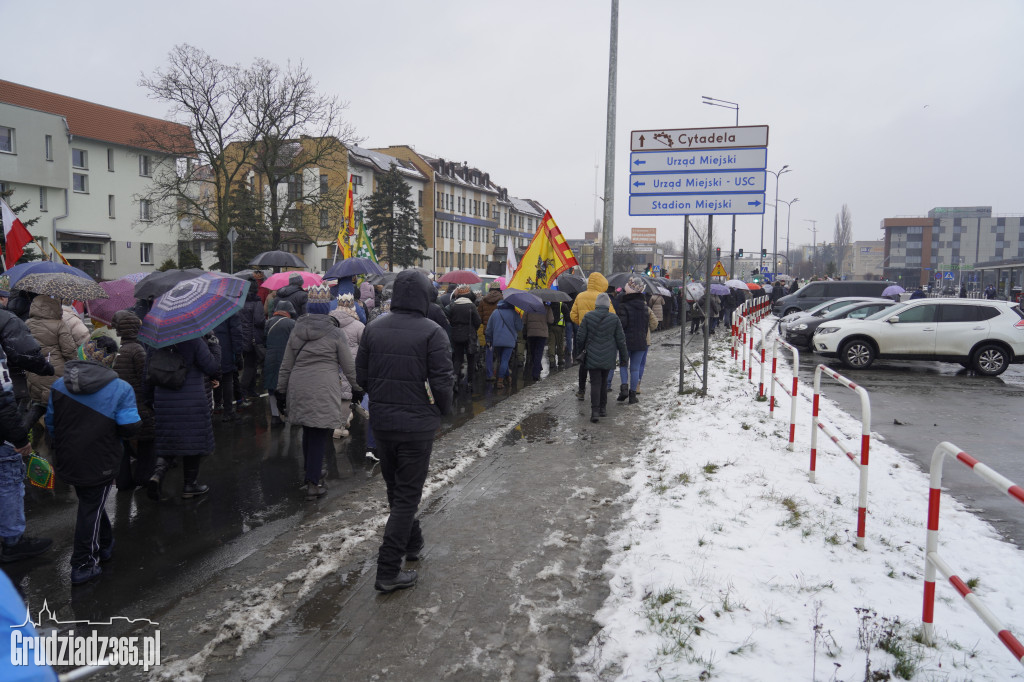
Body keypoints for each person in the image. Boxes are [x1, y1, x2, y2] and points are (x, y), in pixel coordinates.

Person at [355, 269, 453, 593]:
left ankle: (413, 543)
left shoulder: (373, 328)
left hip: (382, 424)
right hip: (416, 427)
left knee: (397, 491)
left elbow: (363, 377)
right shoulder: (433, 332)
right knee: (406, 496)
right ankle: (387, 569)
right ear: (425, 297)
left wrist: (383, 399)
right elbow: (442, 382)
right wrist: (442, 410)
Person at [46, 338, 140, 584]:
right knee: (90, 507)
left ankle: (106, 544)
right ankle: (83, 563)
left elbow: (51, 425)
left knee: (91, 502)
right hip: (102, 458)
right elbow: (129, 428)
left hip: (69, 457)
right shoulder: (121, 388)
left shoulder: (58, 385)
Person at [277, 285, 361, 500]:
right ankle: (313, 484)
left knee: (308, 430)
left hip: (299, 384)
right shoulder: (335, 332)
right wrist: (357, 387)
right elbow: (348, 365)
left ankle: (311, 472)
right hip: (324, 386)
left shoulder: (297, 329)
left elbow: (286, 364)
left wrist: (280, 392)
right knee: (319, 434)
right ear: (326, 308)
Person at [0, 313, 53, 563]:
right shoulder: (7, 322)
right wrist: (21, 440)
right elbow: (2, 401)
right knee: (9, 481)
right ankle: (13, 542)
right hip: (2, 438)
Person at [146, 334, 221, 500]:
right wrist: (214, 345)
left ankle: (157, 475)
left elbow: (148, 373)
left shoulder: (156, 342)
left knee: (169, 439)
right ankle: (190, 485)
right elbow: (211, 366)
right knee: (192, 441)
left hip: (164, 399)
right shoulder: (194, 340)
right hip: (191, 400)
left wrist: (149, 400)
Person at [111, 312, 156, 490]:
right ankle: (144, 478)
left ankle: (123, 482)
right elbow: (146, 379)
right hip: (139, 405)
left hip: (121, 405)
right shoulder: (138, 350)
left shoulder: (118, 350)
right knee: (147, 443)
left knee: (124, 446)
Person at [24, 296, 78, 434]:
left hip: (33, 373)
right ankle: (52, 443)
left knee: (38, 405)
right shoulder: (60, 324)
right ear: (54, 308)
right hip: (55, 374)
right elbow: (69, 352)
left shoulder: (27, 323)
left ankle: (24, 436)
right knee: (57, 410)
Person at [576, 293, 627, 423]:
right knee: (604, 382)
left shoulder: (588, 317)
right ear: (608, 305)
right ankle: (603, 409)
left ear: (596, 304)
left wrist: (579, 351)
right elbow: (621, 340)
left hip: (592, 355)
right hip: (609, 355)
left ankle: (595, 412)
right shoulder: (614, 319)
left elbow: (580, 337)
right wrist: (624, 357)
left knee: (595, 382)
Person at [569, 272, 614, 400]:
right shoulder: (604, 297)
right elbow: (612, 315)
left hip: (584, 335)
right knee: (598, 362)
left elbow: (573, 315)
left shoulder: (580, 296)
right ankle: (598, 390)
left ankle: (581, 390)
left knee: (583, 362)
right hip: (600, 335)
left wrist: (582, 324)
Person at [329, 294, 365, 439]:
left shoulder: (329, 322)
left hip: (332, 363)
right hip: (351, 364)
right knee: (346, 396)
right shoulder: (359, 325)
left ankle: (333, 423)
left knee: (333, 395)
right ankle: (340, 427)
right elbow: (364, 347)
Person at [615, 277, 651, 405]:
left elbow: (621, 324)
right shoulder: (644, 307)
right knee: (635, 369)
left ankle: (624, 388)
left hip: (626, 341)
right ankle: (632, 395)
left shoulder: (623, 306)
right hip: (641, 341)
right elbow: (647, 325)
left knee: (624, 365)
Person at [263, 301, 297, 427]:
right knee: (288, 387)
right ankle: (290, 416)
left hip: (270, 358)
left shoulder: (268, 322)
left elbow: (264, 340)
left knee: (272, 388)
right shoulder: (292, 323)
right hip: (287, 359)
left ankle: (275, 416)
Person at [446, 285, 481, 388]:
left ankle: (455, 380)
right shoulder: (471, 306)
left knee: (457, 359)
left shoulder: (453, 305)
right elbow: (478, 321)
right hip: (469, 335)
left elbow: (449, 320)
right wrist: (473, 329)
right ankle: (469, 382)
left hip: (456, 334)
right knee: (471, 359)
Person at [238, 279, 266, 403]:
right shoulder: (256, 302)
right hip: (253, 338)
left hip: (242, 337)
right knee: (250, 365)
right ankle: (243, 390)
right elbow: (260, 320)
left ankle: (250, 389)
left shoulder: (240, 302)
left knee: (250, 364)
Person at [213, 312, 243, 422]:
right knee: (227, 380)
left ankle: (217, 405)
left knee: (215, 378)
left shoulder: (206, 308)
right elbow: (236, 333)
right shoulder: (229, 309)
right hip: (226, 349)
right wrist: (238, 353)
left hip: (211, 348)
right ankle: (228, 411)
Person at [484, 299, 522, 388]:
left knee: (502, 360)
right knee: (505, 361)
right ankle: (500, 381)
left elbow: (489, 328)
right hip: (509, 341)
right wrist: (519, 317)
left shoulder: (495, 312)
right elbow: (519, 327)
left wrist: (489, 339)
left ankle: (508, 377)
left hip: (497, 341)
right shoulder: (514, 313)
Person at [477, 281, 503, 381]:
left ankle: (489, 374)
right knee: (500, 352)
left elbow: (479, 316)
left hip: (488, 330)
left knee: (489, 352)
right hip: (499, 330)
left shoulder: (483, 300)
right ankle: (499, 374)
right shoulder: (502, 299)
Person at [523, 304, 553, 381]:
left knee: (533, 352)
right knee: (539, 352)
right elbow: (551, 320)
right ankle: (535, 373)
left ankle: (538, 366)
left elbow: (524, 320)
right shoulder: (547, 308)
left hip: (531, 333)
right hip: (542, 334)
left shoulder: (528, 307)